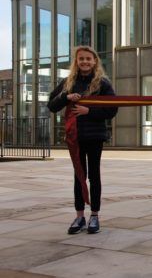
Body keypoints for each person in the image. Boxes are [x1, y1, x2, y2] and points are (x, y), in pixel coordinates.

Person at [48, 46, 118, 234]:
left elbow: (113, 109)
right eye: (81, 59)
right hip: (75, 137)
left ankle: (94, 216)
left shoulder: (103, 83)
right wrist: (66, 96)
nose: (85, 62)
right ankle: (79, 216)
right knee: (79, 176)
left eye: (88, 59)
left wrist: (90, 111)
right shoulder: (68, 82)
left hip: (95, 136)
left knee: (94, 175)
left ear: (95, 61)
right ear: (76, 62)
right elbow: (51, 105)